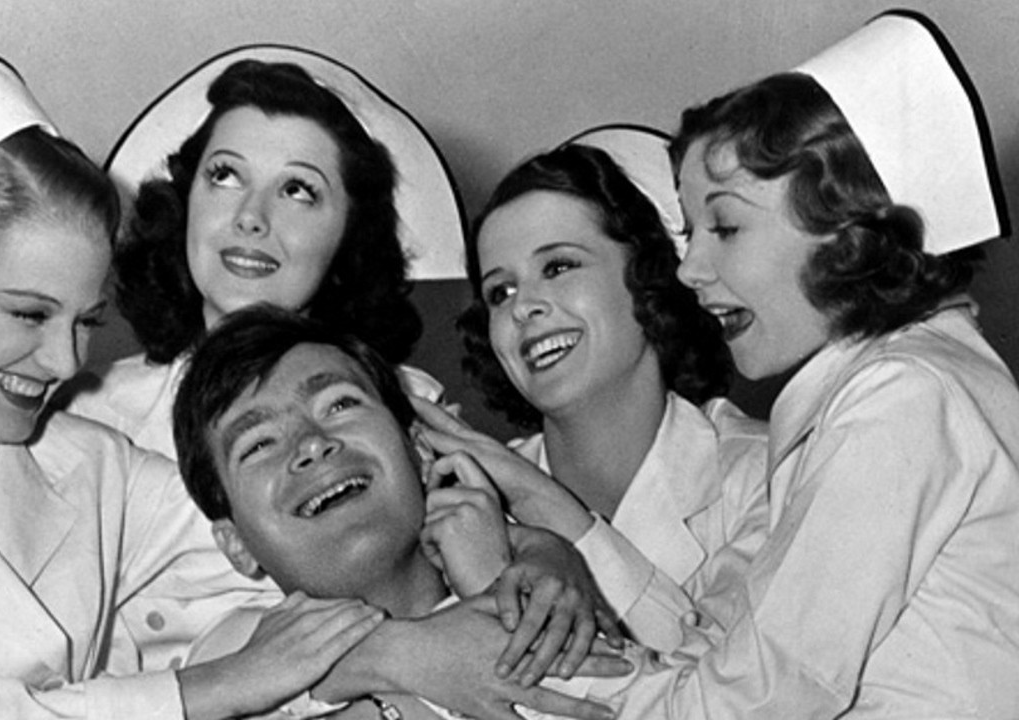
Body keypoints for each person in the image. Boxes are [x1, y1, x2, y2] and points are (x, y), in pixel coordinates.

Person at [0, 45, 396, 720]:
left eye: (86, 321)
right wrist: (204, 689)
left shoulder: (97, 469)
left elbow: (294, 575)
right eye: (29, 313)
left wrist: (469, 585)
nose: (64, 361)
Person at [558, 11, 1019, 717]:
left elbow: (763, 695)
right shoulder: (865, 394)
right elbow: (711, 641)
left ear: (848, 229)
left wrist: (506, 677)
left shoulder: (903, 397)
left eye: (726, 226)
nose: (688, 269)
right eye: (688, 232)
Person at [63, 46, 558, 675]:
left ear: (348, 234)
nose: (250, 218)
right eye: (224, 176)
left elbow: (485, 548)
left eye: (298, 190)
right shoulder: (88, 421)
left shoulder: (413, 405)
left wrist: (548, 558)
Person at [170, 305, 640, 720]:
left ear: (420, 451)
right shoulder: (228, 674)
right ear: (234, 544)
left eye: (339, 404)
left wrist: (506, 579)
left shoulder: (552, 596)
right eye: (259, 445)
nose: (311, 444)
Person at [415, 128, 769, 653]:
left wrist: (542, 502)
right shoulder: (459, 504)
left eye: (557, 267)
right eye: (499, 291)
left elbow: (727, 690)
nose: (523, 307)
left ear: (650, 280)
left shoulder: (770, 473)